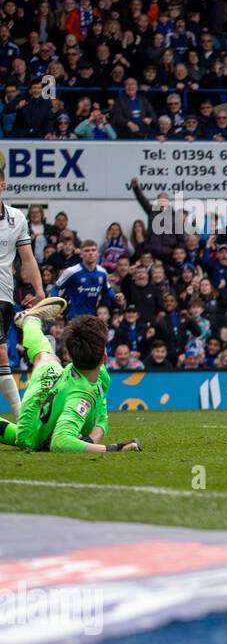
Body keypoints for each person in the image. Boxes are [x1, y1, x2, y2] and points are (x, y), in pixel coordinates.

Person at [0, 298, 140, 453]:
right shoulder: (80, 397)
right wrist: (114, 448)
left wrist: (90, 440)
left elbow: (102, 412)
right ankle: (33, 432)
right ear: (104, 358)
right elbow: (60, 442)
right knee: (28, 438)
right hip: (32, 428)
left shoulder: (101, 375)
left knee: (46, 357)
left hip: (53, 378)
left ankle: (31, 321)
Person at [0, 162, 44, 412]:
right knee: (2, 352)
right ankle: (23, 419)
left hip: (5, 294)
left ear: (2, 185)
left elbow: (27, 258)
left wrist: (39, 291)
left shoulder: (16, 218)